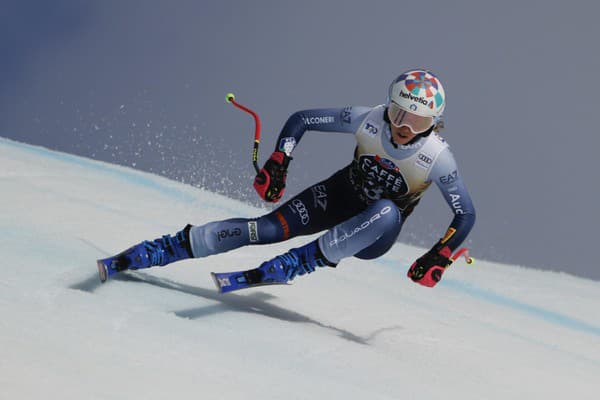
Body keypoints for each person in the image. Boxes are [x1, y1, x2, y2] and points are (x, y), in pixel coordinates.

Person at [97, 69, 475, 288]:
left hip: (374, 234)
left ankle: (297, 262)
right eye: (398, 113)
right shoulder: (368, 118)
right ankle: (165, 248)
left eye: (418, 121)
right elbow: (302, 120)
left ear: (434, 124)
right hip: (338, 195)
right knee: (264, 229)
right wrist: (281, 161)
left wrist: (438, 253)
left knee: (388, 211)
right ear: (387, 106)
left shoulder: (438, 158)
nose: (404, 128)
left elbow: (465, 214)